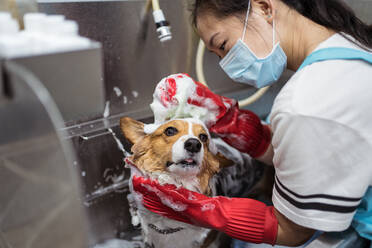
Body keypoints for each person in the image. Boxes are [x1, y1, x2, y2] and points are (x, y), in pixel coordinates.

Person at [131, 0, 372, 246]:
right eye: (218, 56)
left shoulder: (303, 103)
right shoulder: (351, 43)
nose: (228, 69)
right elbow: (321, 153)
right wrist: (239, 127)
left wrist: (193, 207)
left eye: (223, 46)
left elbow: (294, 230)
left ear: (264, 7)